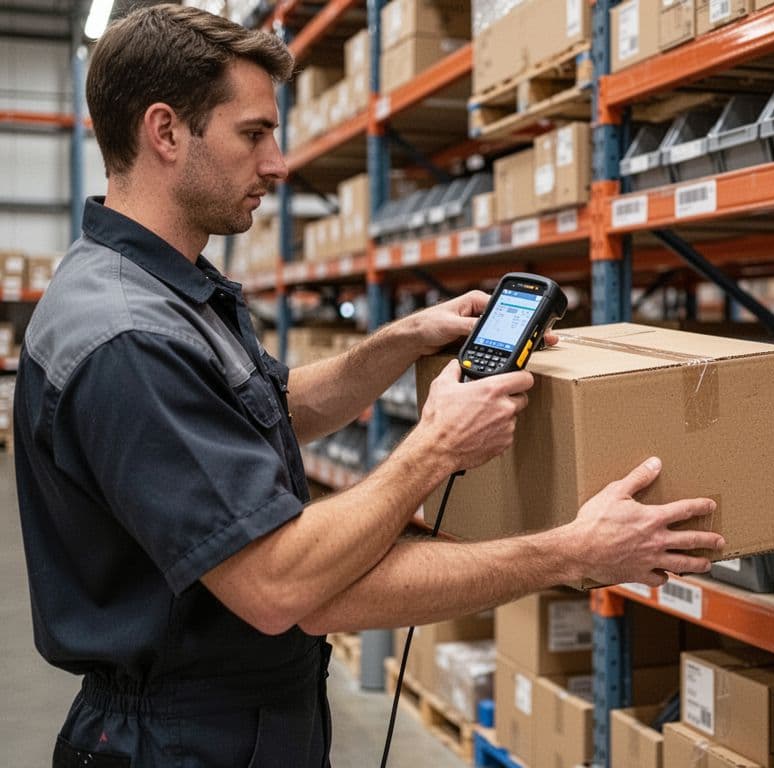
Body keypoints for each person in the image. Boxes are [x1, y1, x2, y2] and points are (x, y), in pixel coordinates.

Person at [15, 5, 722, 766]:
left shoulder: (160, 291)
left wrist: (395, 344)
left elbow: (267, 409)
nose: (279, 163)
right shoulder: (131, 337)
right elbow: (279, 583)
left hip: (234, 719)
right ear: (165, 132)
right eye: (253, 133)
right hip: (185, 741)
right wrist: (446, 454)